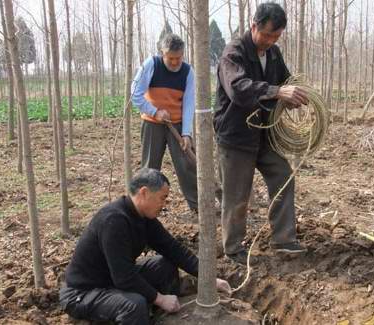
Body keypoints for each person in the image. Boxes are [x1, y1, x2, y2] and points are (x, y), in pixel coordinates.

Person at [60, 168, 231, 324]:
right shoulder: (114, 221)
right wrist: (160, 299)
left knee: (165, 265)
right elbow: (124, 277)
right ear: (144, 193)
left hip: (113, 280)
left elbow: (173, 249)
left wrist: (209, 279)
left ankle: (159, 318)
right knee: (134, 305)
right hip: (84, 292)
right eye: (162, 198)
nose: (164, 205)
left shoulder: (144, 217)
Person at [214, 2, 309, 264]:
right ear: (254, 25)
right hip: (236, 136)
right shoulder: (234, 53)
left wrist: (296, 94)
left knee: (283, 176)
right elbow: (238, 88)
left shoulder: (274, 53)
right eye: (266, 35)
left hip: (264, 134)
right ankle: (233, 248)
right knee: (237, 195)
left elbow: (286, 81)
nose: (270, 41)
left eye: (276, 36)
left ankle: (284, 239)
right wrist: (276, 92)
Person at [131, 33, 198, 213]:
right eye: (171, 58)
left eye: (179, 58)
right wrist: (155, 112)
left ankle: (198, 207)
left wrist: (186, 133)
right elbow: (135, 94)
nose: (175, 62)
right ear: (162, 53)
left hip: (177, 124)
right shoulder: (151, 65)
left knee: (188, 166)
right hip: (152, 123)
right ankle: (143, 209)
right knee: (150, 168)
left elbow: (189, 103)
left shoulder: (188, 72)